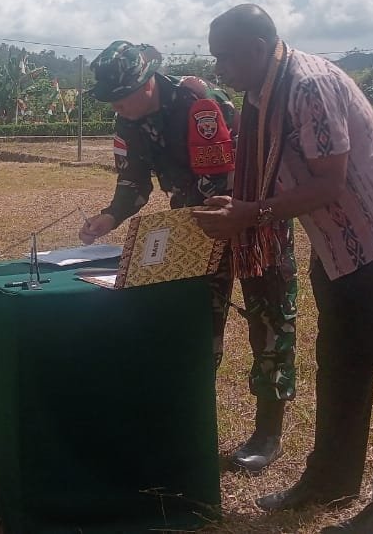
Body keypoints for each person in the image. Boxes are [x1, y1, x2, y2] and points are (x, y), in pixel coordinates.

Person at [196, 5, 373, 534]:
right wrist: (237, 201)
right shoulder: (260, 94)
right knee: (341, 369)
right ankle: (331, 480)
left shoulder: (307, 86)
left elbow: (330, 183)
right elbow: (276, 175)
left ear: (257, 48)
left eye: (225, 57)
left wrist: (249, 214)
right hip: (337, 251)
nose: (220, 71)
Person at [78, 40, 297, 473]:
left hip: (253, 221)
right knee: (194, 325)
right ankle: (189, 424)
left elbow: (220, 182)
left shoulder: (199, 103)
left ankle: (267, 433)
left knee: (270, 322)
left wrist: (217, 223)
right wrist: (109, 216)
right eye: (112, 102)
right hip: (196, 229)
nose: (117, 108)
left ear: (147, 84)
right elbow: (133, 185)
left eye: (122, 98)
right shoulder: (130, 120)